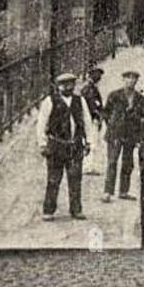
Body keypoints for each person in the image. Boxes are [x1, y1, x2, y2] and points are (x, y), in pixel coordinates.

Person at [37, 73, 90, 221]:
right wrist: (42, 144)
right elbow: (41, 123)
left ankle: (76, 209)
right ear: (58, 86)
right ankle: (48, 210)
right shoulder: (50, 101)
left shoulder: (80, 101)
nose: (67, 87)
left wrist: (89, 142)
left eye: (70, 84)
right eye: (64, 84)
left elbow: (87, 121)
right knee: (53, 179)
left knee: (75, 179)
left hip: (75, 145)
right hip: (56, 145)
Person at [102, 70, 144, 202]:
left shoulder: (140, 98)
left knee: (128, 163)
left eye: (134, 79)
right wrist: (113, 125)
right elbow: (106, 112)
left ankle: (123, 191)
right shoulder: (114, 95)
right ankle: (108, 192)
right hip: (115, 134)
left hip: (130, 134)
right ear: (123, 80)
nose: (131, 81)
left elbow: (142, 117)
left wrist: (138, 136)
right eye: (128, 78)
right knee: (112, 162)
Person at [81, 67, 106, 174]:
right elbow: (91, 106)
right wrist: (97, 115)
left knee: (93, 142)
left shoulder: (91, 89)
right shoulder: (89, 90)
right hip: (91, 120)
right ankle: (88, 166)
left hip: (93, 119)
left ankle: (90, 165)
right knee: (91, 142)